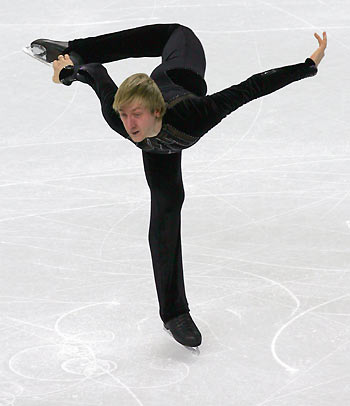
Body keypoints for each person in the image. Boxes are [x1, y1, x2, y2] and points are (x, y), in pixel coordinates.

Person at [29, 24, 327, 348]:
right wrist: (70, 70)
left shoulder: (195, 114)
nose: (129, 125)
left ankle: (76, 44)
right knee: (165, 213)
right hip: (159, 138)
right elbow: (98, 74)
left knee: (176, 32)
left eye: (136, 115)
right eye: (125, 114)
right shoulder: (123, 120)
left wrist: (307, 66)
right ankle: (174, 314)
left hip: (181, 58)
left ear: (155, 111)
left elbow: (251, 87)